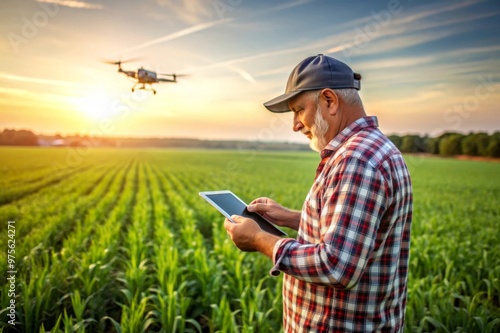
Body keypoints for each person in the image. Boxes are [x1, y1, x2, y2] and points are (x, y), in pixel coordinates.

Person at [224, 54, 413, 332]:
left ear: (329, 101)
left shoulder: (356, 160)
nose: (295, 124)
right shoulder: (371, 148)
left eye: (299, 110)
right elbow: (355, 232)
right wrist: (289, 217)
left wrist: (259, 239)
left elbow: (336, 266)